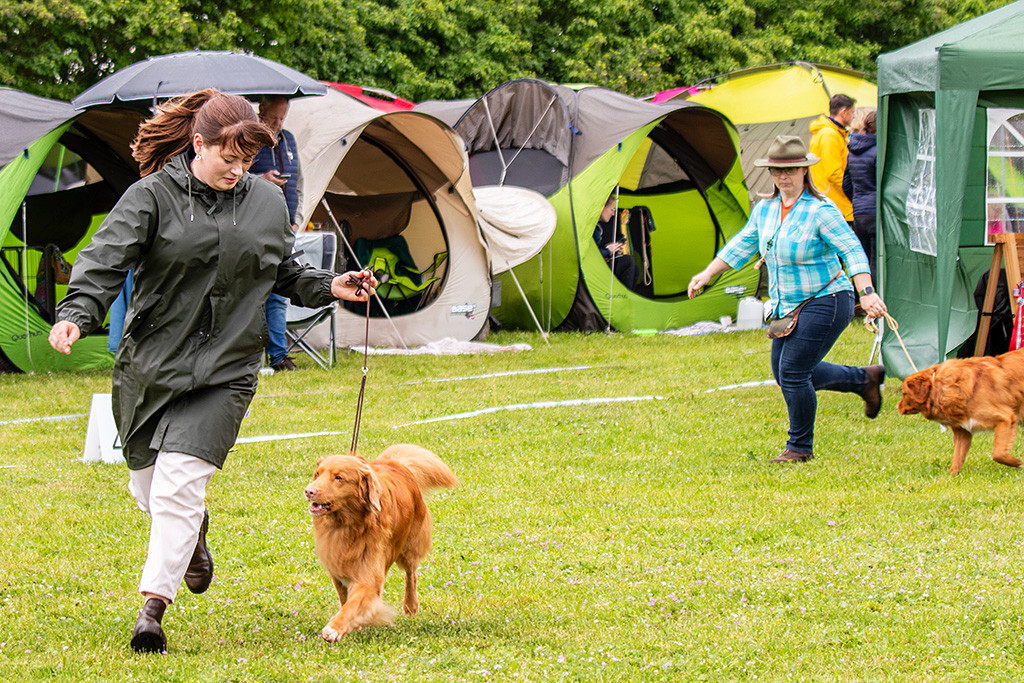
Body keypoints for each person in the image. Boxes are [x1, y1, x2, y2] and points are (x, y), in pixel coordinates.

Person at [48, 90, 376, 654]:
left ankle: (152, 610)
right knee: (150, 487)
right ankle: (193, 536)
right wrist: (77, 313)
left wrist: (331, 285)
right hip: (151, 366)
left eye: (247, 160)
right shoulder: (150, 196)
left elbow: (284, 272)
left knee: (179, 484)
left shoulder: (266, 202)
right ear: (197, 144)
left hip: (227, 367)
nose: (238, 170)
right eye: (229, 157)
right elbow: (104, 260)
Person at [687, 135, 886, 464]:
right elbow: (744, 243)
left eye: (791, 169)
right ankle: (865, 380)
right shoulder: (765, 209)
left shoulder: (822, 211)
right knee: (785, 373)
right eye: (777, 170)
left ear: (804, 170)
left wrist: (866, 292)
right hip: (787, 305)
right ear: (770, 172)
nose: (784, 176)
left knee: (793, 372)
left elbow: (852, 250)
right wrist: (708, 273)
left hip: (828, 298)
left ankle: (800, 447)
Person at [250, 95, 303, 372]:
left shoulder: (288, 140)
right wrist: (262, 180)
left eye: (282, 118)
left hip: (285, 228)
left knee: (280, 292)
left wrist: (297, 220)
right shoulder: (248, 137)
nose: (277, 123)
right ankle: (249, 355)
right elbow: (234, 176)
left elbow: (299, 182)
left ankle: (279, 356)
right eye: (273, 117)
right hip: (255, 226)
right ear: (261, 110)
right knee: (254, 292)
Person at [843, 109, 878, 284]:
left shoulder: (852, 151)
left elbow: (846, 185)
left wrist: (858, 201)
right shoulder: (878, 151)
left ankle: (859, 294)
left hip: (858, 212)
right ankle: (876, 296)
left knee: (862, 260)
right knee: (876, 261)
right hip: (875, 213)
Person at [809, 93, 856, 225]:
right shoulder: (829, 135)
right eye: (852, 112)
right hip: (838, 205)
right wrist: (853, 193)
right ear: (844, 112)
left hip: (836, 203)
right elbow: (834, 173)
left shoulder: (835, 133)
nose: (853, 117)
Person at [593, 195, 639, 290]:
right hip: (591, 271)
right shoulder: (591, 229)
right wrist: (607, 250)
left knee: (636, 269)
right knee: (628, 261)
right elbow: (587, 256)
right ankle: (621, 297)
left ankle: (623, 296)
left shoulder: (597, 228)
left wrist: (614, 250)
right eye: (612, 210)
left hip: (599, 265)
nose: (613, 214)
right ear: (602, 207)